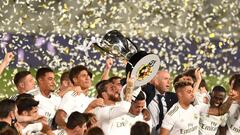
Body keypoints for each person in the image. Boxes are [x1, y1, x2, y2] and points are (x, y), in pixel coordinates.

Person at [160, 79, 233, 135]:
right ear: (180, 94)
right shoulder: (172, 114)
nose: (192, 94)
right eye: (189, 92)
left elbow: (220, 111)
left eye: (192, 91)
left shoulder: (197, 108)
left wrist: (231, 97)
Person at [142, 70, 178, 135]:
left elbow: (187, 98)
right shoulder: (148, 92)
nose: (169, 82)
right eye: (165, 79)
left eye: (169, 79)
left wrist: (197, 82)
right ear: (156, 81)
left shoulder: (173, 97)